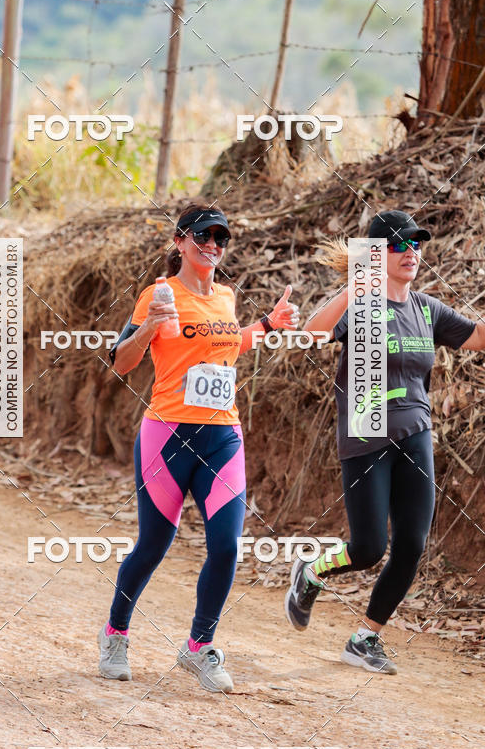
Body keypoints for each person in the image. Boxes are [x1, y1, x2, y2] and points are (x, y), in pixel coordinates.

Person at [98, 200, 299, 692]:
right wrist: (149, 325)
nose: (212, 245)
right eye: (203, 236)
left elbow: (224, 344)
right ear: (180, 242)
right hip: (166, 435)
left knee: (227, 544)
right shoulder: (159, 293)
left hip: (222, 437)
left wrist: (268, 326)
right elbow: (119, 363)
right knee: (153, 545)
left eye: (220, 238)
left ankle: (198, 646)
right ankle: (115, 634)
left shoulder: (226, 297)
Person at [285, 210, 484, 674]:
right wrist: (355, 287)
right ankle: (312, 572)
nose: (411, 252)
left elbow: (475, 337)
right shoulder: (361, 307)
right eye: (399, 245)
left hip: (416, 431)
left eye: (416, 244)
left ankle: (364, 638)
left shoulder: (426, 309)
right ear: (375, 255)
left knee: (412, 543)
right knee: (370, 547)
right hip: (367, 430)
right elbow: (312, 333)